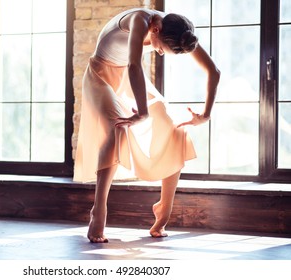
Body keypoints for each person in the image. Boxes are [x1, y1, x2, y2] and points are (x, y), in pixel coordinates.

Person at [73, 8, 220, 243]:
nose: (159, 53)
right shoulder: (138, 19)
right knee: (117, 127)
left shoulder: (179, 29)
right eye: (161, 48)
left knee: (173, 125)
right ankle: (98, 211)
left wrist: (205, 115)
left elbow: (213, 70)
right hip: (101, 75)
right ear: (156, 29)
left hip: (128, 77)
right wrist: (142, 112)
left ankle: (165, 207)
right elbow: (133, 64)